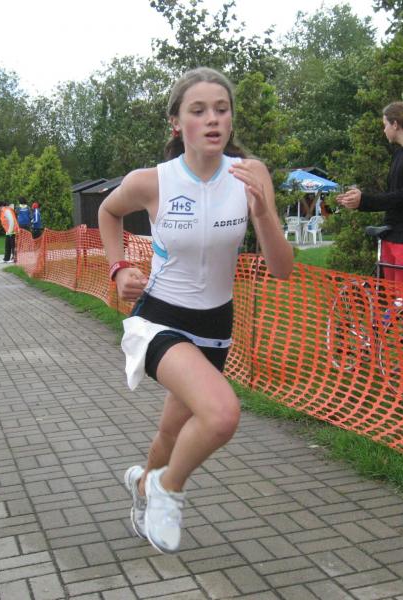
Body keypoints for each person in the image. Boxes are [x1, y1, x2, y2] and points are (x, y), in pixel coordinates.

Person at [98, 67, 293, 554]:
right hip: (159, 318)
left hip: (215, 325)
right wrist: (119, 268)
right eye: (199, 110)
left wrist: (263, 212)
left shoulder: (251, 175)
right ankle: (168, 488)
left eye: (221, 110)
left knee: (172, 431)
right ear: (176, 122)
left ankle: (144, 482)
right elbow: (108, 212)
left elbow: (282, 269)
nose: (212, 120)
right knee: (222, 414)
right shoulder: (152, 181)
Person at [336, 101, 403, 285]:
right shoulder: (399, 153)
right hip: (391, 233)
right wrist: (361, 198)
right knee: (389, 295)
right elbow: (392, 194)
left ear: (395, 124)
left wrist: (365, 201)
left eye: (385, 125)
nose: (384, 130)